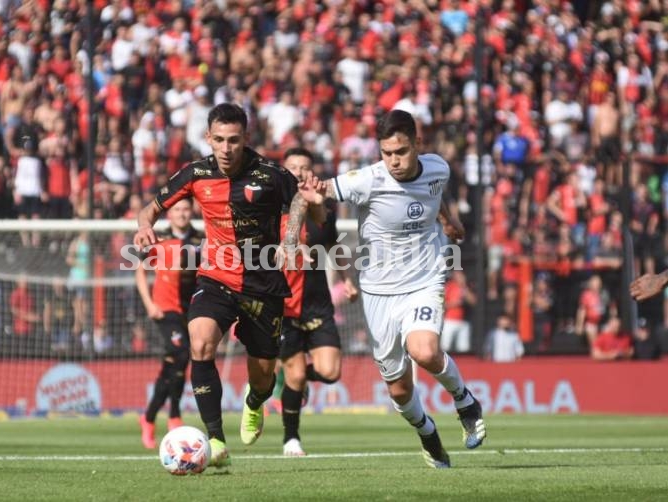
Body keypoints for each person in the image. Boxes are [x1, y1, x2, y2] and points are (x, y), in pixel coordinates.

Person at [287, 109, 486, 468]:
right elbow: (306, 196)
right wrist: (291, 239)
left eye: (401, 151)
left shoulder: (438, 166)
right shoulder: (367, 180)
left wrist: (449, 221)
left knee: (424, 350)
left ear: (417, 145)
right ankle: (427, 433)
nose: (393, 160)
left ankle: (465, 401)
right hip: (378, 291)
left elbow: (434, 191)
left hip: (424, 278)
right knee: (399, 389)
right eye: (386, 153)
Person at [133, 103, 308, 468]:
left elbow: (300, 198)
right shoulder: (195, 173)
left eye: (234, 140)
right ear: (208, 138)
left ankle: (255, 401)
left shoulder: (270, 173)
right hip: (216, 277)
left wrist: (290, 239)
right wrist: (144, 226)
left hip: (263, 285)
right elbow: (149, 208)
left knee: (262, 378)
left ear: (246, 138)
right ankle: (215, 439)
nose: (226, 149)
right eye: (220, 141)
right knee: (201, 342)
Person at [278, 147, 359, 456]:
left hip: (317, 302)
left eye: (304, 167)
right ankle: (291, 439)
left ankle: (294, 382)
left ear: (312, 173)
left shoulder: (321, 210)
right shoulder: (271, 208)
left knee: (330, 371)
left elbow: (333, 249)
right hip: (285, 304)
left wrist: (346, 278)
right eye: (293, 166)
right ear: (283, 171)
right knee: (295, 374)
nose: (298, 171)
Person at [136, 198, 203, 449]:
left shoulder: (201, 239)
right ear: (170, 214)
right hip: (166, 310)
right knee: (182, 352)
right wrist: (148, 304)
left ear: (191, 211)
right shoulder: (158, 237)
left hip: (192, 310)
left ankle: (149, 417)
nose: (182, 214)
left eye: (186, 209)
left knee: (172, 365)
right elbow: (139, 269)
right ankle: (174, 414)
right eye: (177, 209)